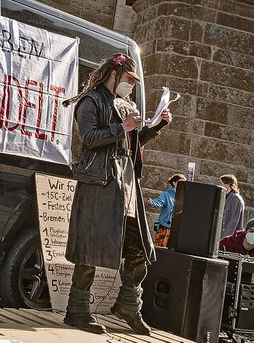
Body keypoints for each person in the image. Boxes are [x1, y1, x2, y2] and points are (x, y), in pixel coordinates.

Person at [63, 53, 172, 335]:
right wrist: (121, 126)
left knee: (140, 248)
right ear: (114, 74)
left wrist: (156, 125)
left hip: (126, 184)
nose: (131, 86)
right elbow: (89, 138)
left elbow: (131, 144)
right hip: (100, 182)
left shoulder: (127, 105)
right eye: (128, 80)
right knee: (90, 247)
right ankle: (77, 311)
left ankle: (127, 304)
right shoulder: (90, 101)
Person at [150, 174, 186, 247]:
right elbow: (159, 201)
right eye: (180, 182)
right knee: (161, 248)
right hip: (165, 227)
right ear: (174, 183)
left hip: (177, 229)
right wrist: (152, 203)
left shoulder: (184, 196)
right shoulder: (167, 194)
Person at [219, 174, 245, 239]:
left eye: (222, 184)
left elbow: (233, 221)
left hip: (231, 237)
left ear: (227, 185)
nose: (220, 186)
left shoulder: (235, 198)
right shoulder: (228, 197)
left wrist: (225, 238)